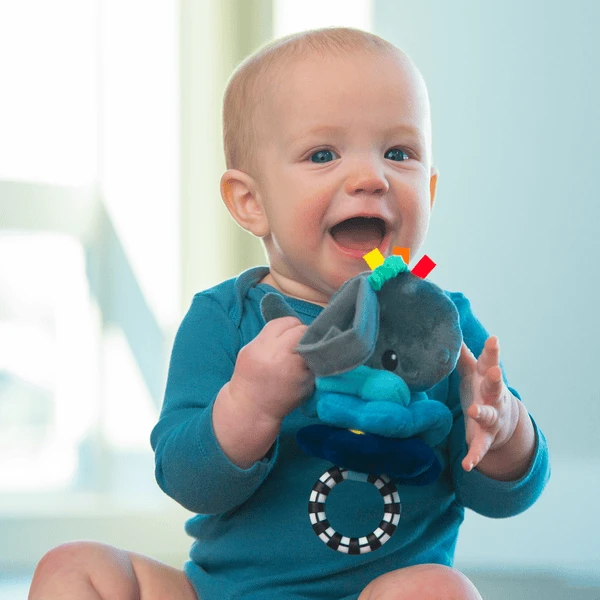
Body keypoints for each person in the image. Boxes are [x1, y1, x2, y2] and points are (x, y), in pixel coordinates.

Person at [29, 27, 550, 600]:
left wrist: (505, 432)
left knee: (439, 590)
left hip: (378, 593)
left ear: (428, 190)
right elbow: (186, 480)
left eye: (398, 154)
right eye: (323, 155)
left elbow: (505, 496)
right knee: (73, 567)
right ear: (251, 202)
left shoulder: (442, 328)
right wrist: (247, 405)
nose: (370, 178)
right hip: (223, 593)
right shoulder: (225, 318)